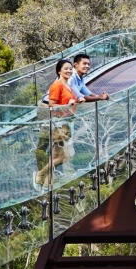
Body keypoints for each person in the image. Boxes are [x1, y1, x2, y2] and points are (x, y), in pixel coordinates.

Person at [34, 60, 77, 191]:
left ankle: (47, 182)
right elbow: (51, 105)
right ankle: (40, 174)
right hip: (60, 125)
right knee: (66, 156)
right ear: (59, 71)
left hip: (66, 123)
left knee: (56, 156)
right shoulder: (57, 85)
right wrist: (67, 106)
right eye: (66, 69)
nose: (69, 71)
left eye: (70, 69)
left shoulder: (67, 85)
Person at [41, 53, 109, 104]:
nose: (87, 66)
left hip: (64, 105)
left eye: (88, 64)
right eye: (84, 64)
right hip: (50, 103)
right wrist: (100, 97)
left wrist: (99, 95)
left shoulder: (80, 78)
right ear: (76, 65)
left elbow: (88, 93)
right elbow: (80, 96)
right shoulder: (71, 76)